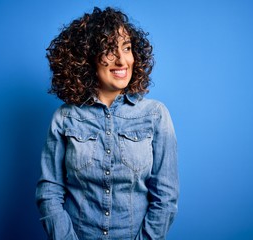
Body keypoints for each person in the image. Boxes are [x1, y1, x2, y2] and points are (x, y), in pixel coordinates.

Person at [35, 6, 179, 240]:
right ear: (87, 57)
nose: (122, 60)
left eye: (127, 48)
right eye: (109, 50)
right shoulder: (65, 117)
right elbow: (49, 192)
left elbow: (166, 197)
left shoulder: (156, 115)